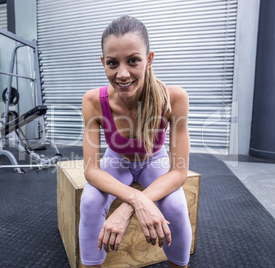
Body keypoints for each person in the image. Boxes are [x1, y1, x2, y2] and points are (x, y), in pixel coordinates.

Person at [79, 15, 192, 268]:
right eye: (112, 63)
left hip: (155, 161)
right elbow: (91, 170)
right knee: (89, 202)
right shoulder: (92, 102)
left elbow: (179, 171)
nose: (122, 73)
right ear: (103, 63)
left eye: (133, 61)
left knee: (175, 204)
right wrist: (138, 199)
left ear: (149, 59)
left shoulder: (174, 99)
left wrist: (127, 207)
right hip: (116, 161)